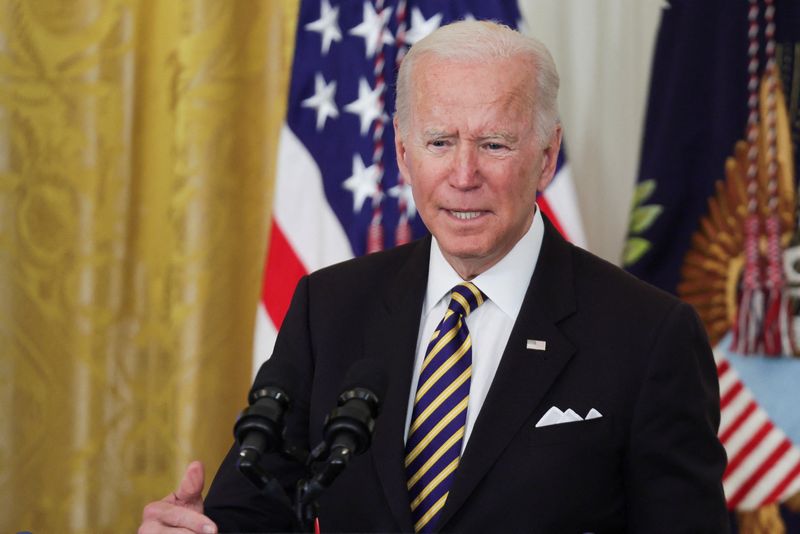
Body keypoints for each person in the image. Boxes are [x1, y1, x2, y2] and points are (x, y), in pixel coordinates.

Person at [138, 20, 728, 534]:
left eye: (494, 144)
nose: (463, 174)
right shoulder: (330, 307)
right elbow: (256, 512)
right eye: (439, 142)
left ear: (546, 157)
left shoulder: (650, 335)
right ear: (402, 152)